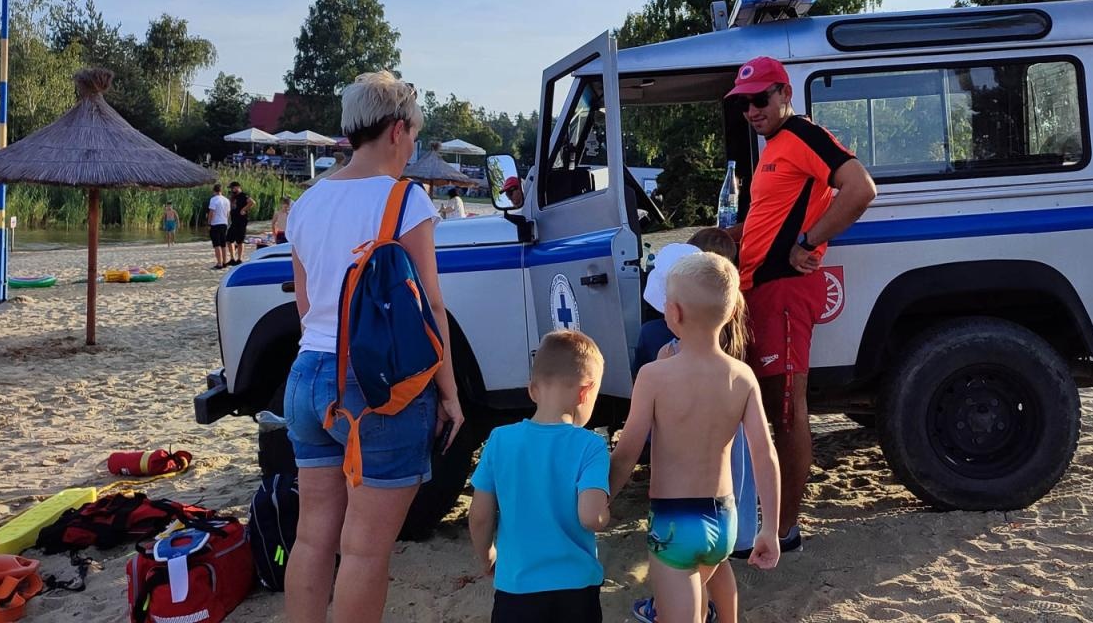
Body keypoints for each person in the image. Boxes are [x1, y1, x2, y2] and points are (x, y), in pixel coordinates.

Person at [281, 70, 464, 623]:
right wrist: (449, 395)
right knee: (364, 549)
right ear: (396, 129)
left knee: (314, 537)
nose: (411, 147)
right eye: (413, 135)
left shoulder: (308, 202)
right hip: (375, 385)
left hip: (308, 374)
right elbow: (431, 308)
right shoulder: (404, 199)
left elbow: (307, 302)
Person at [724, 56, 876, 551]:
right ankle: (768, 521)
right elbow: (770, 217)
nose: (752, 109)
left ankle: (785, 529)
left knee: (786, 411)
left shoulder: (805, 135)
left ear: (785, 93)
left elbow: (861, 188)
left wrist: (809, 242)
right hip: (757, 292)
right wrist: (728, 236)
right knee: (765, 408)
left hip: (786, 289)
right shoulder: (773, 149)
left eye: (761, 98)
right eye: (744, 103)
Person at [611, 252, 782, 623]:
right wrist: (769, 527)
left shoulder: (654, 376)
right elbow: (764, 454)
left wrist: (601, 495)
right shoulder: (742, 376)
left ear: (673, 313)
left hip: (674, 520)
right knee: (716, 576)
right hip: (724, 519)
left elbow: (627, 451)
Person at [468, 330, 611, 623]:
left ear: (532, 390)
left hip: (516, 588)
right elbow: (591, 517)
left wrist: (487, 555)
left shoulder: (499, 441)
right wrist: (605, 513)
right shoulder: (591, 445)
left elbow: (480, 516)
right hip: (576, 589)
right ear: (585, 393)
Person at [227, 181, 254, 265]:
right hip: (234, 221)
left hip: (242, 221)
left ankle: (239, 259)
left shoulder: (243, 195)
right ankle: (232, 258)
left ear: (237, 187)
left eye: (233, 188)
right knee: (229, 239)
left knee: (240, 240)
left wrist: (244, 209)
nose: (232, 190)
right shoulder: (233, 196)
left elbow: (252, 202)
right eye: (231, 188)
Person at [207, 184, 230, 270]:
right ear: (221, 190)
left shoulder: (213, 200)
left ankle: (219, 263)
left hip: (216, 223)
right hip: (224, 223)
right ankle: (224, 262)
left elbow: (211, 212)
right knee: (223, 244)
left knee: (217, 244)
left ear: (214, 191)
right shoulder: (226, 200)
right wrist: (226, 221)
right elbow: (228, 213)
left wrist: (209, 223)